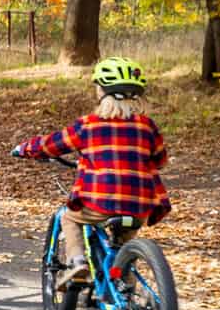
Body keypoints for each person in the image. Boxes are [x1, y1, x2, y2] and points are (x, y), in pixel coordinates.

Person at [11, 57, 170, 287]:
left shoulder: (88, 125)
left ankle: (77, 262)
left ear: (101, 92)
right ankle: (127, 298)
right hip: (138, 204)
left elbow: (51, 144)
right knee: (123, 246)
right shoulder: (148, 126)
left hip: (99, 202)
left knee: (69, 217)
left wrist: (24, 149)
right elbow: (160, 160)